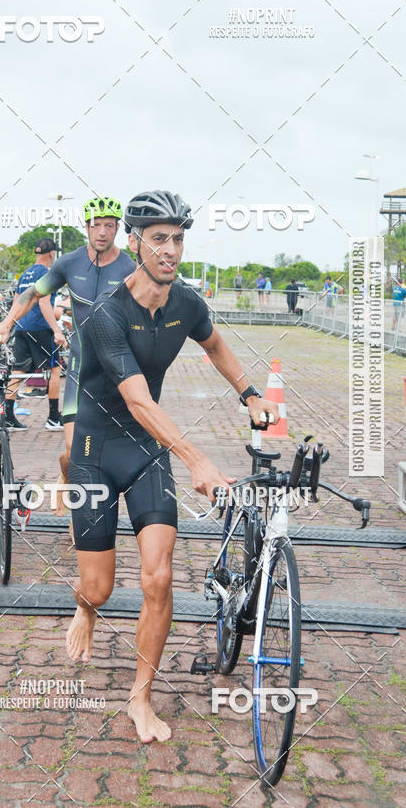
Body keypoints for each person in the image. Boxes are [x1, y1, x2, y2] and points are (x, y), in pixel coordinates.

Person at [63, 190, 280, 744]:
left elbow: (215, 346)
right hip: (95, 450)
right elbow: (138, 400)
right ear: (134, 242)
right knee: (100, 587)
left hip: (145, 451)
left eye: (178, 239)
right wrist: (198, 459)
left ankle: (141, 699)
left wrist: (249, 393)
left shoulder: (186, 302)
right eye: (159, 239)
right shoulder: (106, 317)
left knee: (159, 578)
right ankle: (85, 608)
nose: (171, 250)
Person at [0, 198, 136, 506]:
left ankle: (86, 522)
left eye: (110, 225)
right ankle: (66, 475)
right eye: (96, 225)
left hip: (116, 374)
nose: (103, 232)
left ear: (119, 229)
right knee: (72, 453)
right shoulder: (69, 262)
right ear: (86, 227)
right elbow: (32, 293)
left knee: (104, 457)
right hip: (82, 372)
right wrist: (5, 325)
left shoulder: (130, 268)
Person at [1, 238, 65, 432]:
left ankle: (8, 417)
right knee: (55, 370)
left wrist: (9, 324)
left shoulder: (25, 274)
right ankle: (54, 418)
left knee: (18, 371)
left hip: (21, 327)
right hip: (39, 327)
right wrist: (56, 329)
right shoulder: (46, 273)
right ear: (52, 254)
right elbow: (44, 303)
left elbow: (17, 302)